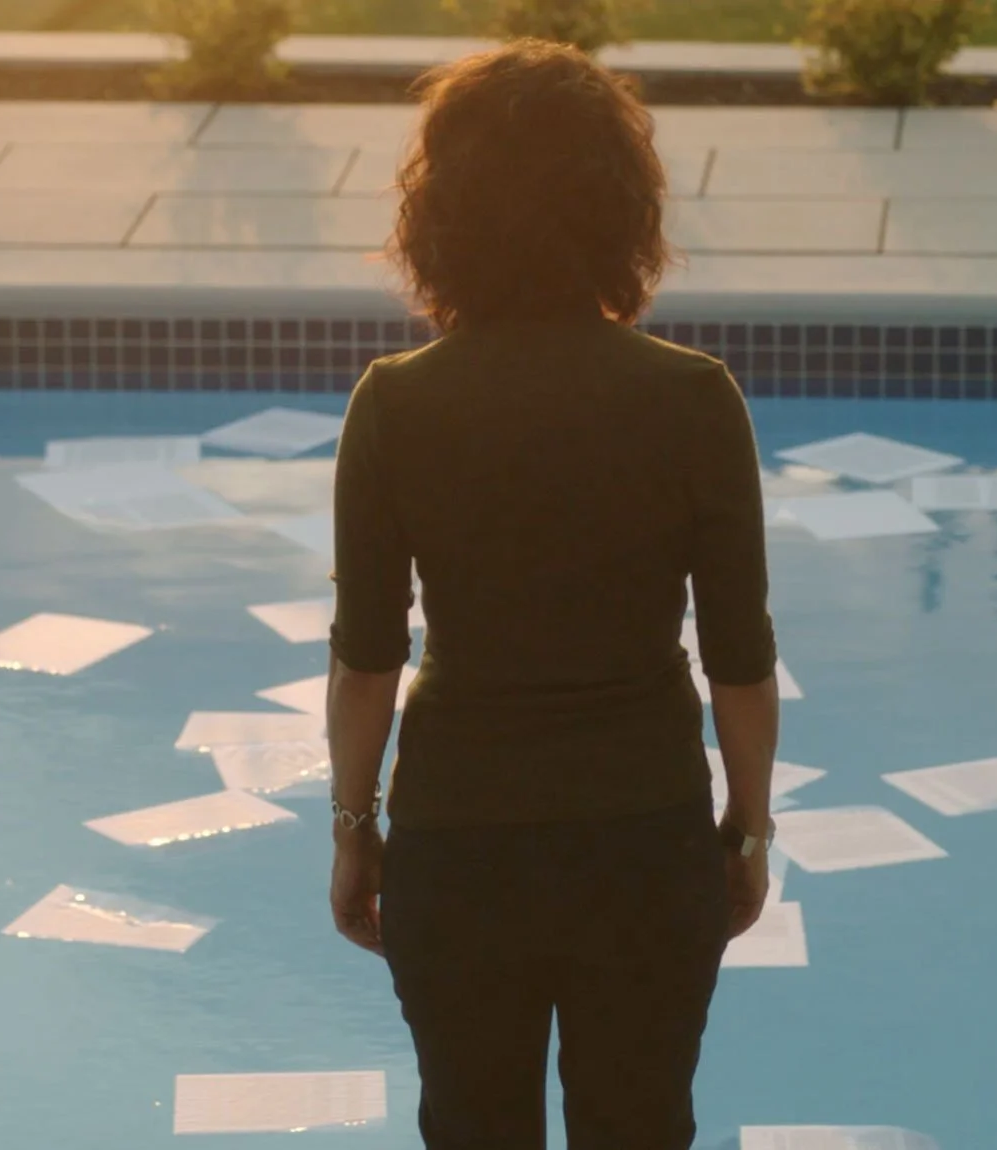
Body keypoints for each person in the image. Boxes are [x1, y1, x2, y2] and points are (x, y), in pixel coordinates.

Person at [319, 39, 782, 1150]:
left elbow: (367, 655)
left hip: (459, 840)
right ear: (624, 208)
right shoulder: (693, 398)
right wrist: (749, 826)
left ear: (441, 214)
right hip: (644, 839)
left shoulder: (396, 404)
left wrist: (352, 827)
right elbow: (740, 657)